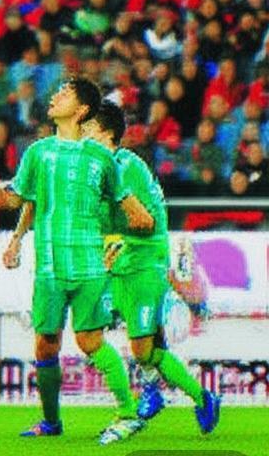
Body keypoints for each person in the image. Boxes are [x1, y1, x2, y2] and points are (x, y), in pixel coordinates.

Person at [0, 79, 155, 444]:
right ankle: (51, 422)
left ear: (81, 110)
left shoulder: (101, 158)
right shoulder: (38, 152)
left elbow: (136, 213)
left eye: (64, 94)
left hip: (89, 267)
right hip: (49, 267)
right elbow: (23, 199)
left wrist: (133, 234)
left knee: (90, 340)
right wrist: (9, 218)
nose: (54, 97)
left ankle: (128, 414)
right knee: (45, 344)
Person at [84, 101, 220, 434]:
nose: (84, 134)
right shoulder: (100, 168)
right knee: (112, 337)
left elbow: (145, 222)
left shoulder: (125, 166)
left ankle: (200, 397)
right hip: (120, 263)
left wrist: (111, 237)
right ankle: (153, 390)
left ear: (106, 133)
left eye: (89, 128)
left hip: (145, 262)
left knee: (143, 348)